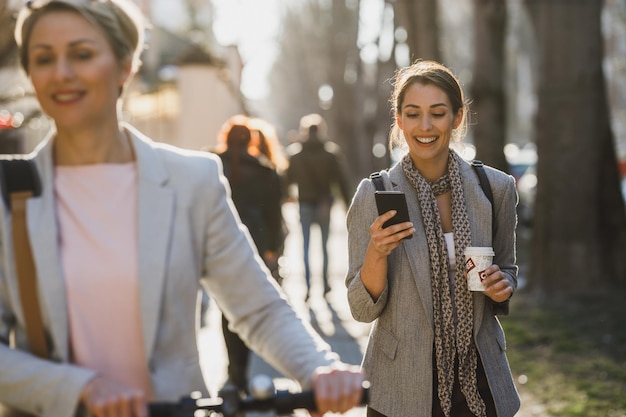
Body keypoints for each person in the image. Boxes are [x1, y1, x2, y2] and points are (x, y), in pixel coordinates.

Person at [0, 1, 365, 416]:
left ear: (125, 66)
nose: (62, 73)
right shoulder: (8, 192)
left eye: (81, 54)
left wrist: (319, 369)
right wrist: (77, 387)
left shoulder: (191, 181)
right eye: (44, 58)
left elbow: (257, 307)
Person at [345, 59, 520, 417]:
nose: (425, 126)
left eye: (437, 113)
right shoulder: (374, 194)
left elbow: (508, 270)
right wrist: (377, 253)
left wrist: (503, 285)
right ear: (399, 120)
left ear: (457, 118)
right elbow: (361, 309)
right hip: (400, 386)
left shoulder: (494, 188)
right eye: (413, 114)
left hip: (480, 382)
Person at [213, 115, 285, 394]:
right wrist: (274, 251)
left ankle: (235, 371)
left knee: (226, 308)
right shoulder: (265, 170)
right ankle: (242, 370)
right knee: (248, 306)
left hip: (219, 247)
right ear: (252, 141)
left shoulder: (212, 165)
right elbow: (274, 216)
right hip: (254, 246)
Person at [285, 114, 352, 300]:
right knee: (324, 247)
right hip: (324, 205)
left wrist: (287, 198)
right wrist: (348, 206)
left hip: (305, 204)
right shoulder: (330, 154)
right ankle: (325, 286)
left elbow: (287, 181)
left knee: (305, 247)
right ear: (321, 131)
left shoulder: (295, 154)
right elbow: (341, 182)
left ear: (304, 131)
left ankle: (307, 286)